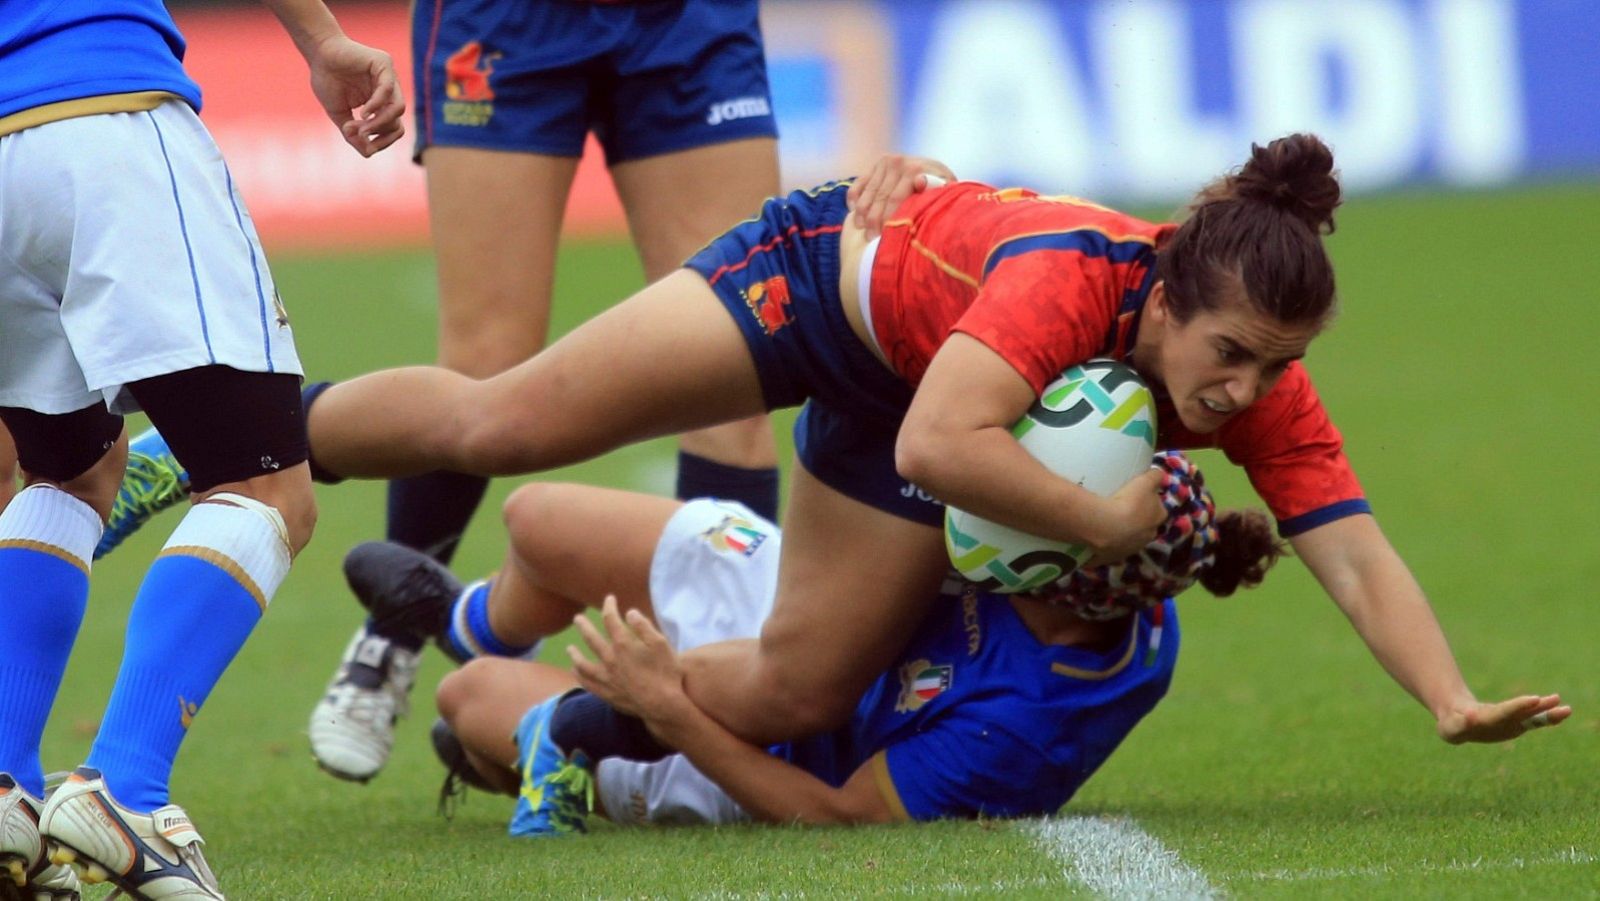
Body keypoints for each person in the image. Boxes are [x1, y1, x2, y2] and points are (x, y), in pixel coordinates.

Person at [109, 136, 1572, 774]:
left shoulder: (1254, 379)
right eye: (1230, 353)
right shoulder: (1077, 276)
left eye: (1274, 370)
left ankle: (520, 688)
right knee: (510, 418)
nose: (1244, 390)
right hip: (817, 285)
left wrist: (1448, 697)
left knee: (807, 683)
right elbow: (954, 435)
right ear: (1170, 289)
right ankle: (220, 431)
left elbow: (1352, 542)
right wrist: (1098, 523)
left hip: (908, 399)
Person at [306, 0, 796, 783]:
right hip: (510, 20)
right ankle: (390, 631)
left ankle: (722, 687)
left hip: (688, 21)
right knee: (485, 366)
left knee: (734, 370)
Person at [0, 1, 404, 897]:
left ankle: (3, 787)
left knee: (69, 472)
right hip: (106, 118)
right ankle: (125, 790)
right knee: (265, 489)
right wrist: (324, 40)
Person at [360, 453, 1285, 831]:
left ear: (1067, 579)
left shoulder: (1024, 726)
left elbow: (839, 815)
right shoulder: (1122, 544)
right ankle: (460, 617)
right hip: (805, 594)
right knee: (537, 514)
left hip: (775, 740)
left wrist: (672, 711)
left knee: (471, 701)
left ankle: (569, 727)